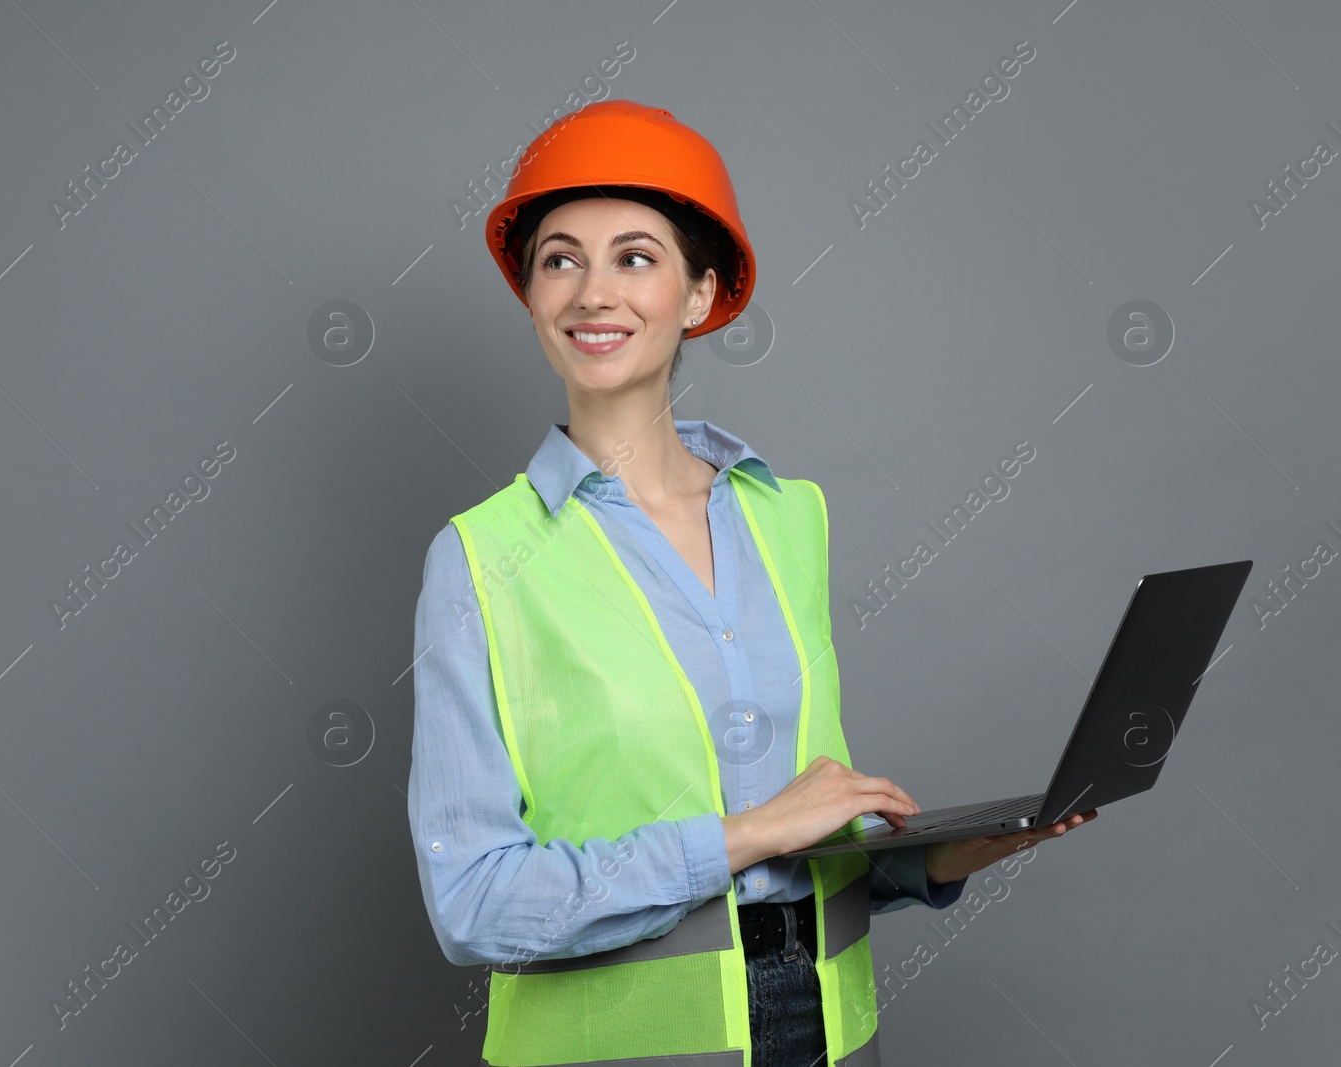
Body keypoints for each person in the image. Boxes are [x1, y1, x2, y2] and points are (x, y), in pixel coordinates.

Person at [407, 100, 1095, 1067]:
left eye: (635, 257)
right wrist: (743, 831)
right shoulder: (479, 557)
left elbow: (795, 845)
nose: (591, 292)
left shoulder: (788, 516)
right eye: (560, 259)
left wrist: (932, 858)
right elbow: (473, 903)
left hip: (831, 1031)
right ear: (531, 297)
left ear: (701, 294)